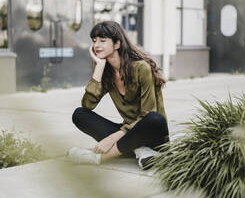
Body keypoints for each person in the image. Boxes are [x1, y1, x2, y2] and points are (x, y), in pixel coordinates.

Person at [68, 21, 169, 169]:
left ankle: (98, 158)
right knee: (79, 114)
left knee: (155, 118)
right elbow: (87, 105)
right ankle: (139, 150)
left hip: (152, 135)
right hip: (127, 135)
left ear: (117, 44)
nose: (96, 45)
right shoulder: (107, 73)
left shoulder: (141, 68)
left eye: (103, 40)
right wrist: (99, 68)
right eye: (94, 41)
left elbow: (148, 114)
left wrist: (112, 138)